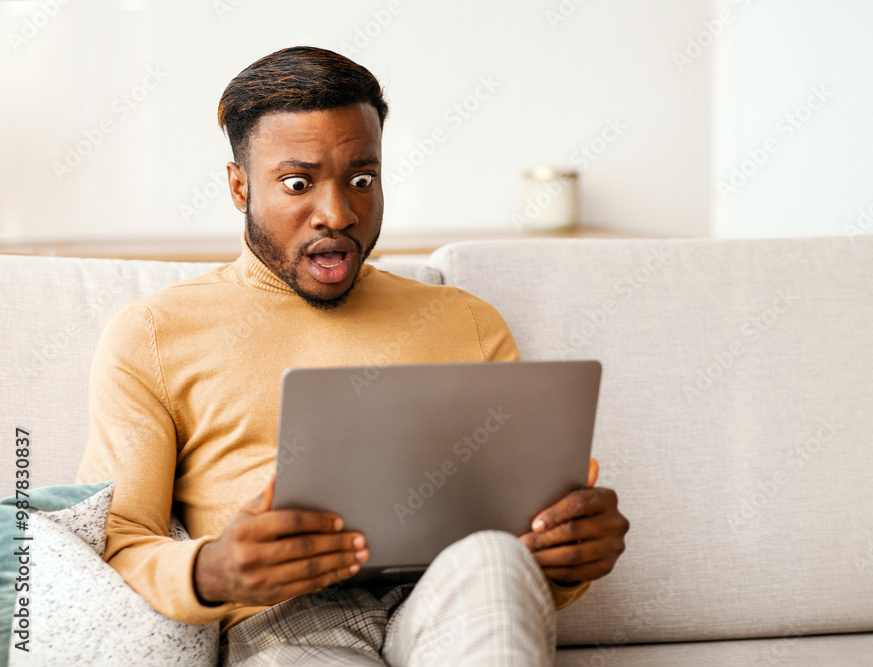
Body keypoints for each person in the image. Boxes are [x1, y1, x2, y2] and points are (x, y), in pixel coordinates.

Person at [76, 45, 629, 666]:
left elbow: (524, 544)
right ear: (239, 187)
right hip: (284, 622)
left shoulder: (467, 321)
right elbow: (120, 540)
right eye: (297, 183)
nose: (339, 213)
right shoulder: (152, 333)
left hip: (453, 591)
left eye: (362, 179)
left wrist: (569, 557)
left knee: (494, 555)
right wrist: (216, 571)